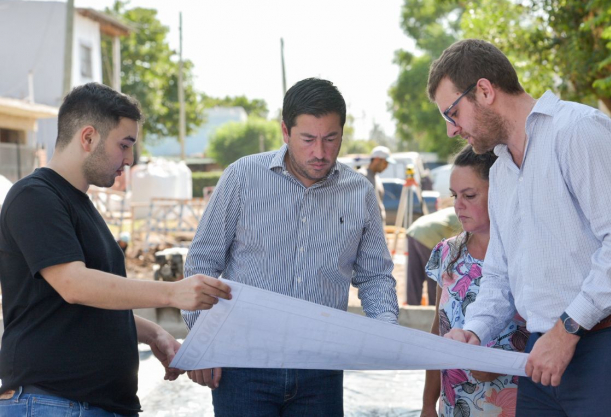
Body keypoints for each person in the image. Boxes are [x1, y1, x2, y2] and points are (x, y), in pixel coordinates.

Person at [427, 39, 611, 415]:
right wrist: (474, 331)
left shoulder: (580, 131)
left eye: (453, 113)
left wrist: (566, 330)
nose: (451, 130)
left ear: (484, 90)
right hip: (543, 353)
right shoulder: (501, 173)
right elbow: (499, 275)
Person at [0, 83, 232, 415]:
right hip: (54, 402)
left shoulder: (79, 204)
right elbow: (74, 286)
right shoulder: (34, 197)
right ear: (88, 138)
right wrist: (171, 294)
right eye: (124, 145)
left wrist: (153, 333)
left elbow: (86, 305)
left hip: (89, 404)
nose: (129, 159)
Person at [183, 78, 399, 416]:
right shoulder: (241, 177)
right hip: (243, 365)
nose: (320, 152)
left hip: (322, 368)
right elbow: (202, 263)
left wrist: (385, 330)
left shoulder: (360, 193)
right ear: (285, 131)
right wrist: (202, 340)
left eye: (331, 139)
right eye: (308, 139)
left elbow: (374, 276)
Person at [421, 145, 528, 417]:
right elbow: (439, 330)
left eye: (469, 195)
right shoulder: (447, 254)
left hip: (515, 403)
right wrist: (427, 404)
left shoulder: (527, 255)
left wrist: (493, 363)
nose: (458, 205)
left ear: (501, 191)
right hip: (455, 405)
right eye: (455, 195)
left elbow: (543, 332)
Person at [405, 207, 462, 305]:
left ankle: (411, 310)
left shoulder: (454, 209)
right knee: (435, 277)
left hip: (415, 229)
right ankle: (433, 310)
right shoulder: (469, 214)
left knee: (415, 275)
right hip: (431, 233)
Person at [358, 145, 395, 226]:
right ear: (377, 159)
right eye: (385, 162)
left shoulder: (376, 178)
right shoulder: (362, 176)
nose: (386, 166)